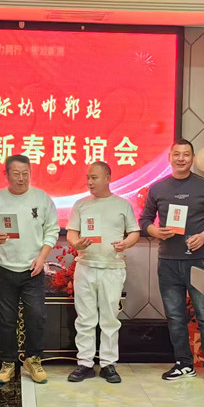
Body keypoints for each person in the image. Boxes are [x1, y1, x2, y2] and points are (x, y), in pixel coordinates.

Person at [139, 139, 204, 387]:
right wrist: (156, 231)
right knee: (175, 316)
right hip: (168, 261)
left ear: (193, 158)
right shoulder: (157, 188)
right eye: (176, 154)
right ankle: (183, 364)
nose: (181, 158)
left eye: (186, 154)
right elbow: (144, 220)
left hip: (199, 261)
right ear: (170, 157)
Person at [0, 155, 59, 384]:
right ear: (6, 174)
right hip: (4, 268)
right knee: (6, 319)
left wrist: (42, 258)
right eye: (16, 173)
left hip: (33, 269)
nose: (21, 178)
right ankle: (7, 362)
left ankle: (33, 360)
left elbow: (52, 230)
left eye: (25, 173)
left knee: (37, 316)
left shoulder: (42, 199)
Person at [65, 162, 140, 384]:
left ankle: (108, 364)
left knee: (109, 318)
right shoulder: (81, 204)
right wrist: (76, 243)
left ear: (108, 178)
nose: (90, 182)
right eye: (88, 177)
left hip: (112, 268)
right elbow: (71, 233)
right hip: (86, 266)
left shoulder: (122, 204)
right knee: (85, 318)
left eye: (94, 177)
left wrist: (125, 243)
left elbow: (134, 232)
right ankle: (85, 363)